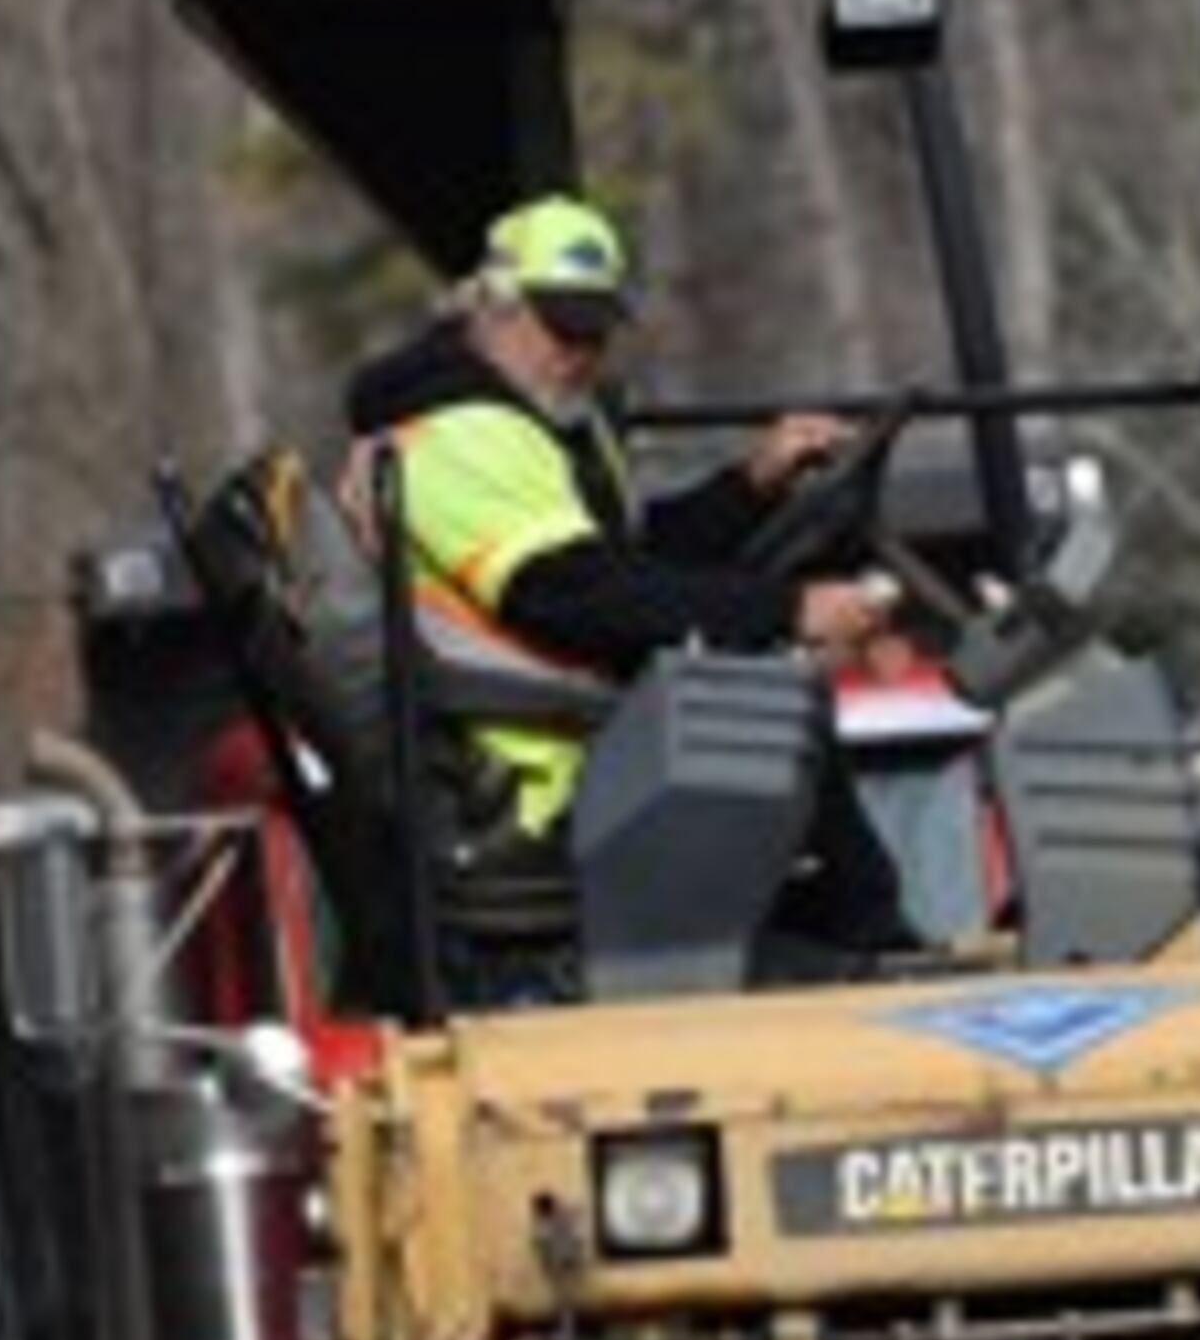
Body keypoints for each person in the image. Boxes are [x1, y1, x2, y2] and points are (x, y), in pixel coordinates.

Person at [340, 192, 914, 969]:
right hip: (535, 781)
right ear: (493, 309)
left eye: (597, 330)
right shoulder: (457, 434)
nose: (581, 351)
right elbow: (573, 594)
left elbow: (627, 559)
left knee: (777, 707)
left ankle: (874, 947)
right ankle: (876, 955)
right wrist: (788, 609)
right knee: (774, 699)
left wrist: (751, 484)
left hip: (588, 734)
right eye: (562, 326)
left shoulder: (540, 424)